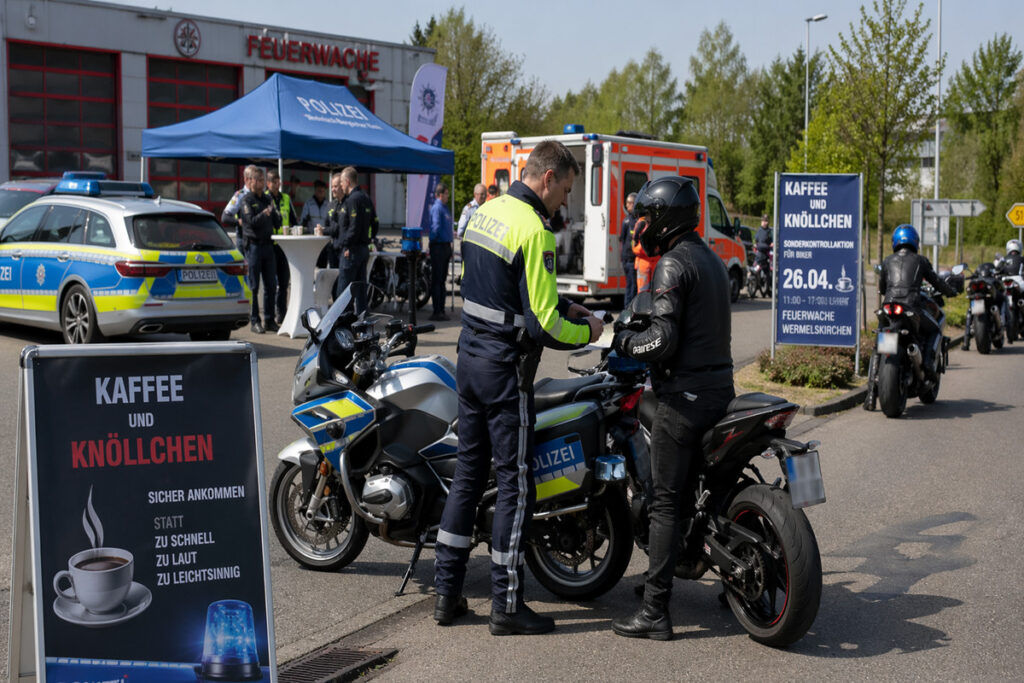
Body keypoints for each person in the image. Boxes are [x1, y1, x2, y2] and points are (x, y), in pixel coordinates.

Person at [434, 140, 603, 636]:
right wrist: (589, 331)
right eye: (566, 190)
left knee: (468, 477)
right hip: (507, 372)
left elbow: (498, 289)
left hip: (470, 360)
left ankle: (447, 595)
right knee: (514, 484)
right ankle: (506, 607)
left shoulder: (485, 213)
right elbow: (544, 326)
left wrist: (563, 305)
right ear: (548, 178)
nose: (564, 203)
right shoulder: (537, 230)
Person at [609, 176, 735, 641]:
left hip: (682, 400)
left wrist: (623, 341)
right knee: (707, 492)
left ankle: (655, 611)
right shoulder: (713, 261)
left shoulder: (671, 265)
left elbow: (662, 340)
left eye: (646, 215)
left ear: (664, 219)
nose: (641, 223)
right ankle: (726, 577)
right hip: (721, 393)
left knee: (664, 501)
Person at [878, 224, 958, 383]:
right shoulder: (920, 260)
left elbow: (882, 288)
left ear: (895, 241)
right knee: (935, 329)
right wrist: (951, 291)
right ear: (915, 241)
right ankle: (928, 362)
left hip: (888, 308)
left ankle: (871, 394)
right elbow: (937, 282)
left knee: (879, 340)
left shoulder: (887, 261)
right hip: (911, 307)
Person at [320, 167, 378, 309]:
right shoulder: (365, 197)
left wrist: (347, 246)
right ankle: (361, 325)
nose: (341, 186)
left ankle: (341, 327)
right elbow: (375, 223)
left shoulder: (352, 199)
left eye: (341, 183)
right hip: (363, 249)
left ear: (347, 181)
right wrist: (369, 239)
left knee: (343, 294)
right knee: (360, 292)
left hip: (351, 252)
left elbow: (354, 227)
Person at [237, 167, 281, 334]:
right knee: (254, 286)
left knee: (271, 285)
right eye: (260, 180)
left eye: (263, 180)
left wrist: (274, 214)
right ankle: (255, 320)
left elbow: (276, 222)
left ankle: (269, 320)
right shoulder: (246, 200)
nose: (262, 184)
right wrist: (265, 214)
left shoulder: (268, 199)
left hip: (269, 246)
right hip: (254, 247)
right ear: (252, 181)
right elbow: (251, 223)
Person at [266, 169, 298, 325]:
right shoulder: (265, 198)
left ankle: (282, 314)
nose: (277, 185)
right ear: (269, 183)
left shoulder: (285, 198)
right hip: (270, 245)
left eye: (279, 182)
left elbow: (293, 219)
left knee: (284, 282)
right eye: (275, 183)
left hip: (285, 246)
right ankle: (269, 316)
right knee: (271, 284)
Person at [428, 182, 453, 321]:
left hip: (442, 247)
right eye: (446, 193)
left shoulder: (443, 208)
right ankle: (438, 310)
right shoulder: (438, 208)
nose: (448, 196)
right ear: (440, 194)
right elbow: (436, 228)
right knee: (438, 281)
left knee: (440, 281)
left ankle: (440, 310)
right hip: (439, 246)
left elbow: (437, 228)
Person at [221, 166, 256, 250]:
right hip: (244, 240)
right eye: (254, 178)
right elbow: (225, 217)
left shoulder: (259, 195)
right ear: (246, 179)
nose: (256, 181)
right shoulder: (240, 195)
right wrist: (240, 222)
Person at [300, 179, 334, 266]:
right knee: (311, 264)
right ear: (315, 190)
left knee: (323, 265)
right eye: (319, 191)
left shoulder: (328, 204)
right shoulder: (308, 203)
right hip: (312, 239)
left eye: (323, 191)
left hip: (324, 240)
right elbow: (302, 222)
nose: (321, 193)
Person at [632, 217, 659, 293]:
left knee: (657, 291)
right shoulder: (641, 223)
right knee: (643, 292)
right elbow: (634, 244)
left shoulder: (659, 221)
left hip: (655, 261)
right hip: (644, 261)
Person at [620, 192, 638, 307]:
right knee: (631, 286)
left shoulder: (637, 221)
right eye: (627, 203)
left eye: (629, 203)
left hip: (634, 258)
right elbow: (622, 240)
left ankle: (630, 307)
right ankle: (628, 309)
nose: (627, 206)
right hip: (629, 259)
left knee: (633, 286)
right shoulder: (627, 221)